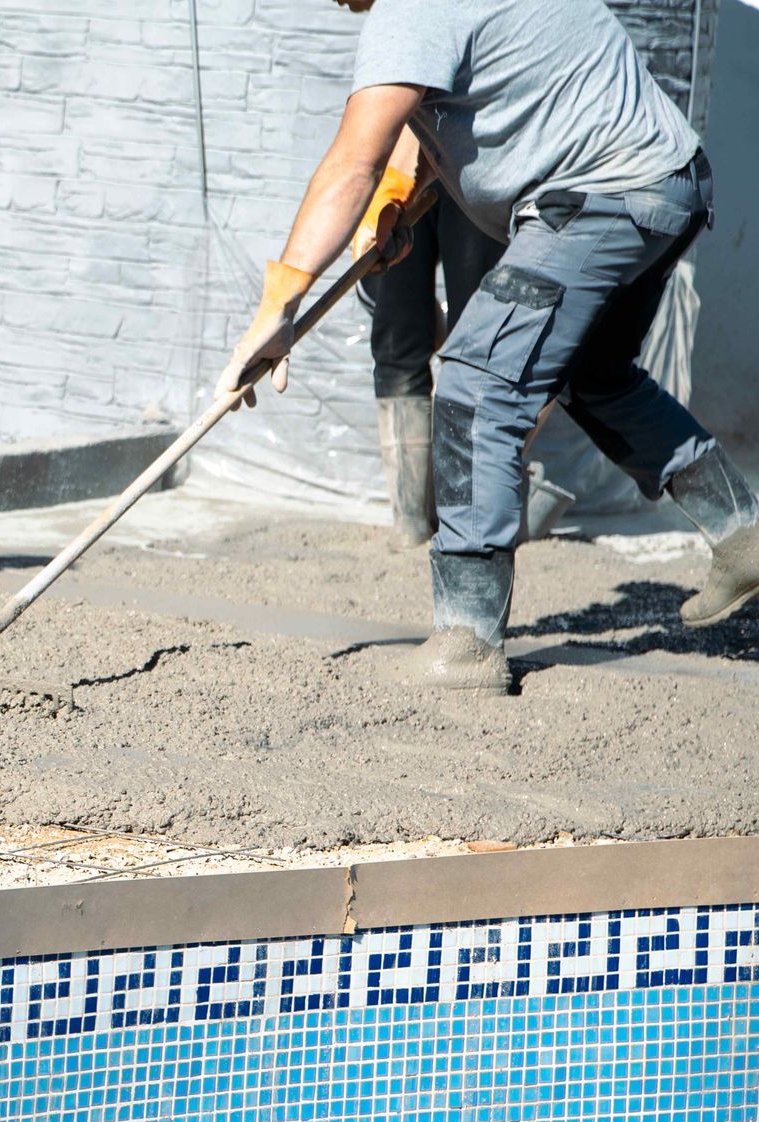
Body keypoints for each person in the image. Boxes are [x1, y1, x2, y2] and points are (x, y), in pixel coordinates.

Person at [217, 0, 758, 695]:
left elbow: (352, 160)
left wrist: (281, 301)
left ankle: (468, 639)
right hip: (668, 181)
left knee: (478, 380)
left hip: (599, 196)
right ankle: (740, 534)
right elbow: (442, 118)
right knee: (597, 376)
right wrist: (398, 200)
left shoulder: (404, 12)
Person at [354, 163, 506, 549]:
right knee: (397, 336)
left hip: (476, 165)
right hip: (399, 167)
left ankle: (466, 523)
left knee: (477, 345)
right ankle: (410, 522)